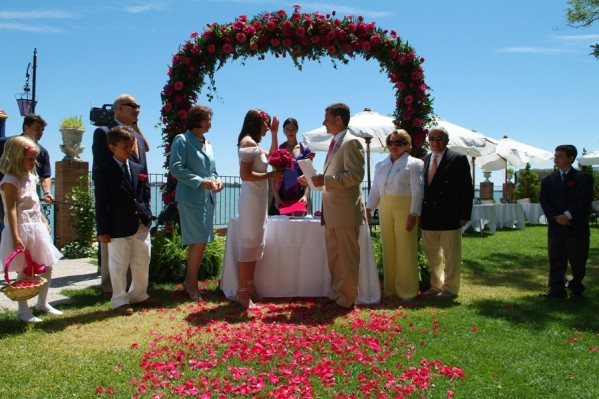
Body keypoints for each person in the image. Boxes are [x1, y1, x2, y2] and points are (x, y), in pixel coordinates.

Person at [94, 126, 162, 316]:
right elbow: (101, 203)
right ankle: (119, 300)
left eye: (131, 146)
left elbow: (144, 192)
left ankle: (139, 294)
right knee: (119, 264)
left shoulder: (137, 167)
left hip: (141, 222)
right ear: (112, 148)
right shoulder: (104, 171)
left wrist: (147, 214)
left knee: (142, 260)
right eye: (125, 147)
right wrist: (103, 229)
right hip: (118, 225)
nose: (130, 150)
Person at [308, 103, 367, 309]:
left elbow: (356, 176)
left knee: (347, 256)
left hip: (345, 210)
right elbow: (332, 176)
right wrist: (313, 180)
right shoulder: (336, 143)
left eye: (326, 118)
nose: (324, 123)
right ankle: (336, 291)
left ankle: (348, 296)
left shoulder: (351, 143)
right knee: (334, 255)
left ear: (338, 119)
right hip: (332, 210)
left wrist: (326, 180)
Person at [0, 136, 63, 322]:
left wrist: (43, 219)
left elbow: (33, 203)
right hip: (21, 228)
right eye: (30, 159)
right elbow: (11, 209)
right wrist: (15, 235)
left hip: (36, 226)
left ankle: (42, 303)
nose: (34, 162)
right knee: (26, 269)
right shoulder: (10, 180)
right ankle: (23, 310)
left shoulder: (31, 177)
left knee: (47, 265)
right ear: (17, 158)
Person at [92, 94, 148, 299]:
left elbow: (143, 169)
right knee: (114, 252)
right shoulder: (104, 132)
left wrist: (145, 199)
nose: (137, 109)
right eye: (132, 105)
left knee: (139, 254)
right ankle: (111, 288)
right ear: (118, 108)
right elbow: (101, 168)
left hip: (137, 202)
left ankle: (136, 290)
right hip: (115, 202)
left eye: (138, 105)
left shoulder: (138, 138)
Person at [169, 105, 224, 301]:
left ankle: (188, 281)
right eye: (207, 119)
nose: (210, 122)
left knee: (201, 241)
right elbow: (175, 168)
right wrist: (200, 182)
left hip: (208, 199)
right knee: (198, 241)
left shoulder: (208, 143)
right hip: (191, 198)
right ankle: (192, 285)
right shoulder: (182, 140)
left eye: (210, 118)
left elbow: (213, 170)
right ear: (196, 119)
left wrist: (217, 181)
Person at [366, 129, 424, 301]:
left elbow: (417, 190)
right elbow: (376, 189)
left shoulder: (414, 164)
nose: (393, 146)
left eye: (398, 143)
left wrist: (414, 213)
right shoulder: (380, 165)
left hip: (405, 207)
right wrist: (368, 208)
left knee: (405, 247)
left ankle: (407, 289)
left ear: (406, 145)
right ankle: (390, 288)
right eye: (391, 142)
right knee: (388, 247)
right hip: (386, 207)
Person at [236, 109, 284, 309]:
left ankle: (250, 285)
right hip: (251, 202)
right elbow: (245, 175)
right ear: (256, 122)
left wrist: (274, 133)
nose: (266, 127)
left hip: (259, 200)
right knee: (249, 245)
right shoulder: (247, 143)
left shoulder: (255, 144)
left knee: (255, 244)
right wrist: (270, 177)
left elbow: (273, 156)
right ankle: (241, 292)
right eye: (265, 124)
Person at [420, 125, 473, 298]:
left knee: (451, 256)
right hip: (429, 217)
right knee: (432, 255)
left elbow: (467, 189)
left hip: (450, 216)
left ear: (447, 140)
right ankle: (436, 285)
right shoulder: (425, 160)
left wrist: (464, 215)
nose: (435, 142)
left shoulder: (458, 159)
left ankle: (450, 288)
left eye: (439, 138)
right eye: (432, 139)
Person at [539, 145, 593, 298]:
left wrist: (568, 215)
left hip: (576, 226)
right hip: (557, 227)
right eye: (555, 155)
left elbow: (584, 200)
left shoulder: (584, 178)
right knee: (556, 258)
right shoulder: (548, 180)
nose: (556, 158)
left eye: (560, 156)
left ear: (571, 158)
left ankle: (576, 287)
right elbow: (544, 200)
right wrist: (557, 218)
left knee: (578, 260)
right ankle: (556, 289)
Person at [0, 114, 55, 235]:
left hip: (28, 196)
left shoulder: (43, 152)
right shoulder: (6, 143)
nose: (40, 132)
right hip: (6, 193)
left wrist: (47, 193)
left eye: (42, 130)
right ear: (26, 128)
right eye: (37, 128)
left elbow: (45, 176)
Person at [268, 117, 313, 215]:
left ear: (297, 129)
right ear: (283, 131)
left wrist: (306, 196)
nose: (290, 131)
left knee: (299, 227)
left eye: (292, 128)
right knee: (279, 226)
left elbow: (309, 176)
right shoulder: (280, 149)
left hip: (300, 194)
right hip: (282, 194)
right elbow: (274, 176)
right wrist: (277, 198)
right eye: (287, 129)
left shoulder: (305, 150)